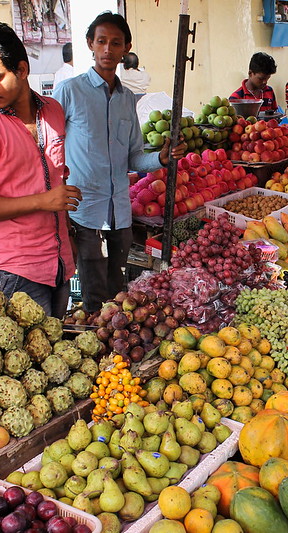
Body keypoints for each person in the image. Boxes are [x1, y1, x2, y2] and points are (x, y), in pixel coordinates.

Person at [53, 12, 185, 313]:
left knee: (118, 290)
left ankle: (117, 351)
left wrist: (160, 158)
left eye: (116, 43)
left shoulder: (128, 99)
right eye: (101, 42)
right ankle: (96, 350)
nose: (108, 50)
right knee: (93, 293)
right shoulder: (70, 92)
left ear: (126, 47)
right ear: (90, 44)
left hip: (120, 211)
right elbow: (50, 148)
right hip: (84, 209)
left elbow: (134, 156)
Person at [0, 23, 80, 318]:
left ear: (22, 70)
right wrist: (42, 200)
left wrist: (53, 180)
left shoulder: (53, 110)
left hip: (61, 262)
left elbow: (49, 171)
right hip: (17, 271)